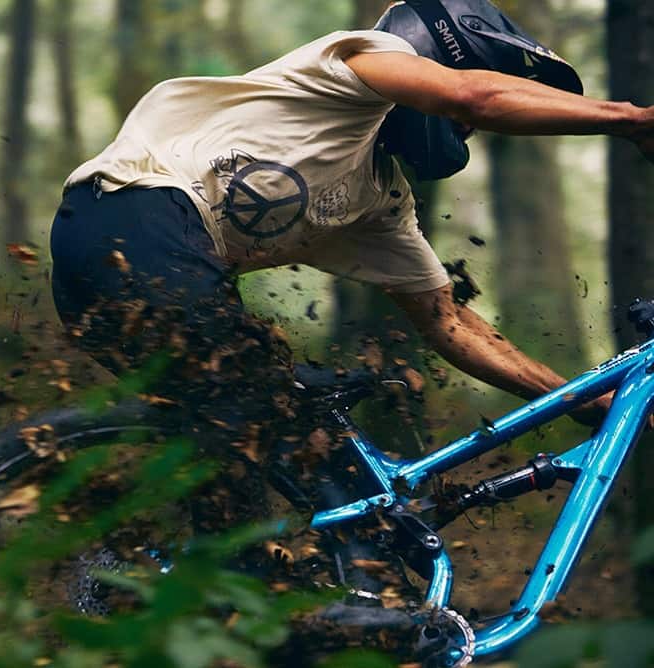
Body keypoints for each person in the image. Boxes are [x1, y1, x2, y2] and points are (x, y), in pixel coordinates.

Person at [49, 0, 654, 428]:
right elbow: (478, 95)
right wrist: (630, 119)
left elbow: (450, 323)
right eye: (461, 115)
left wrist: (582, 402)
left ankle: (198, 585)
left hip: (144, 280)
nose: (466, 129)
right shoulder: (357, 64)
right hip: (126, 220)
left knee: (255, 441)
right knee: (260, 404)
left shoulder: (381, 202)